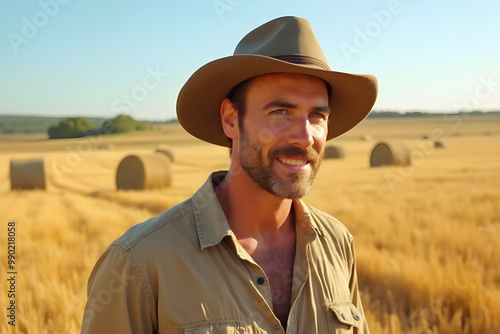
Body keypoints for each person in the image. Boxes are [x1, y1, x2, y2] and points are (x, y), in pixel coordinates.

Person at [81, 16, 377, 333]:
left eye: (317, 115)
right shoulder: (138, 264)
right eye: (281, 112)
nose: (305, 136)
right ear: (230, 119)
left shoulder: (337, 242)